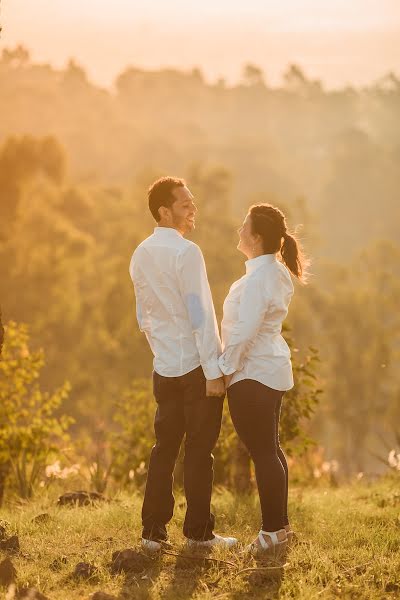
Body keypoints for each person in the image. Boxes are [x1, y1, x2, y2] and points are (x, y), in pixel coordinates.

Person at [129, 176, 237, 552]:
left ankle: (152, 535)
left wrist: (161, 352)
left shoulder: (140, 253)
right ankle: (198, 536)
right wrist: (213, 371)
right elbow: (200, 315)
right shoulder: (187, 252)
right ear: (164, 211)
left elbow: (144, 315)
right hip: (194, 367)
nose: (193, 209)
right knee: (198, 452)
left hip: (164, 367)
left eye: (193, 202)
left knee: (164, 449)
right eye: (185, 204)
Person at [218, 203, 308, 557]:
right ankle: (281, 527)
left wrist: (224, 369)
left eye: (244, 226)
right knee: (271, 450)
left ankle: (271, 532)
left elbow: (245, 331)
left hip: (252, 374)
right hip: (269, 371)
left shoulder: (258, 278)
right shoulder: (275, 271)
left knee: (263, 452)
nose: (239, 230)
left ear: (255, 237)